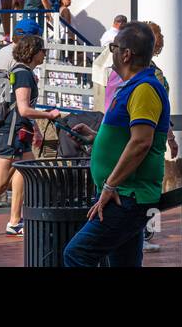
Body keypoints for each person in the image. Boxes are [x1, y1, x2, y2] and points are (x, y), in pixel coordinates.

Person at [63, 22, 171, 267]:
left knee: (77, 254)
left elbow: (142, 142)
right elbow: (128, 136)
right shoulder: (131, 87)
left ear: (126, 54)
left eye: (113, 47)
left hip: (127, 195)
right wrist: (96, 137)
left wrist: (110, 185)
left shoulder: (144, 88)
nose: (110, 52)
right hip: (124, 194)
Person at [0, 30, 65, 246]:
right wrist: (49, 114)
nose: (45, 54)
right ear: (33, 52)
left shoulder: (22, 72)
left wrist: (35, 128)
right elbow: (24, 108)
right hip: (12, 133)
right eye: (42, 50)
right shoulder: (23, 74)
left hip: (19, 132)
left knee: (30, 173)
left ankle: (18, 220)